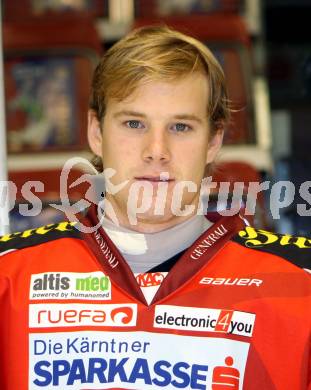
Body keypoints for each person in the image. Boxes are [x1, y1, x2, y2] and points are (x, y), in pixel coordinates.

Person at [0, 25, 310, 390]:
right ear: (96, 132)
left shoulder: (299, 284)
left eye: (180, 127)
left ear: (214, 141)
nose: (156, 150)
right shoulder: (10, 279)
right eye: (134, 123)